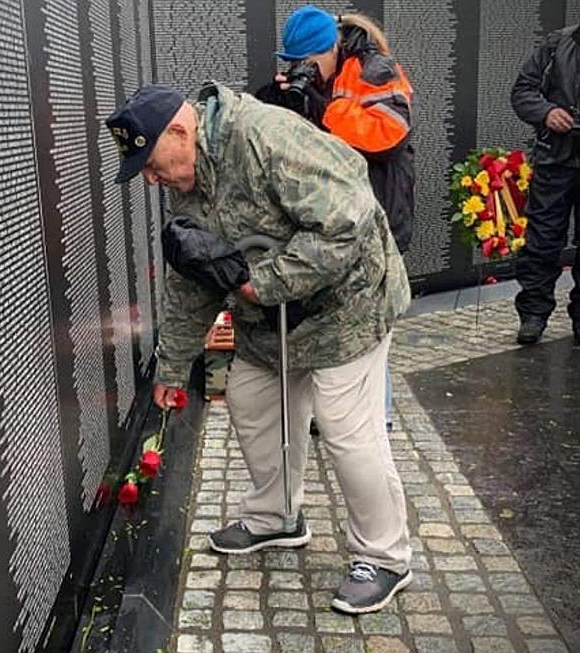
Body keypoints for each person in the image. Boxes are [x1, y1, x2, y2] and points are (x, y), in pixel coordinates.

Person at [105, 82, 413, 613]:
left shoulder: (265, 138)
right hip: (273, 324)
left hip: (349, 307)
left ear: (180, 130)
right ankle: (277, 517)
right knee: (250, 398)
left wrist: (261, 283)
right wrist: (173, 370)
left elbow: (349, 221)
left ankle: (385, 557)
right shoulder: (190, 182)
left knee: (346, 428)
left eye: (152, 165)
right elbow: (189, 284)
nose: (152, 180)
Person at [255, 5, 415, 432]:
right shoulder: (318, 77)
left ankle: (375, 419)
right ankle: (326, 413)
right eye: (292, 63)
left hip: (377, 212)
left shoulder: (375, 69)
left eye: (307, 62)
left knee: (370, 321)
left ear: (331, 49)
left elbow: (390, 135)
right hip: (333, 219)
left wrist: (322, 105)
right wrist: (280, 98)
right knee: (332, 313)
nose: (302, 70)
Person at [510, 0, 580, 346]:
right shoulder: (558, 44)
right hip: (555, 159)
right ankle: (533, 314)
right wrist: (546, 112)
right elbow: (522, 90)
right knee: (541, 240)